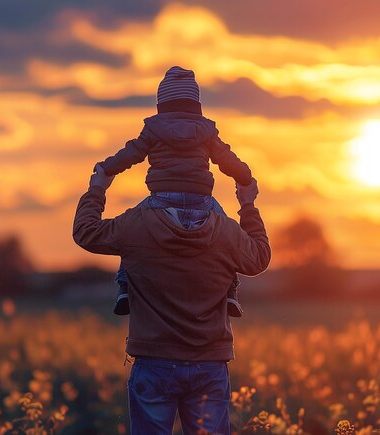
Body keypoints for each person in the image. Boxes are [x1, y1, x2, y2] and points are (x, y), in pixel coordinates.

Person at [73, 162, 271, 434]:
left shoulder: (137, 223)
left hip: (154, 362)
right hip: (209, 363)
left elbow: (86, 231)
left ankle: (124, 289)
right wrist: (247, 205)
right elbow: (260, 257)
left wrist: (98, 188)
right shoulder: (225, 229)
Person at [96, 66, 252, 317]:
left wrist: (107, 168)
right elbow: (226, 158)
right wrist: (244, 175)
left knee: (130, 230)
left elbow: (132, 153)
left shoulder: (153, 129)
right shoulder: (207, 131)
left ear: (161, 103)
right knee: (226, 229)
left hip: (160, 200)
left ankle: (125, 286)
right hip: (201, 200)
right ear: (196, 104)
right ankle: (230, 291)